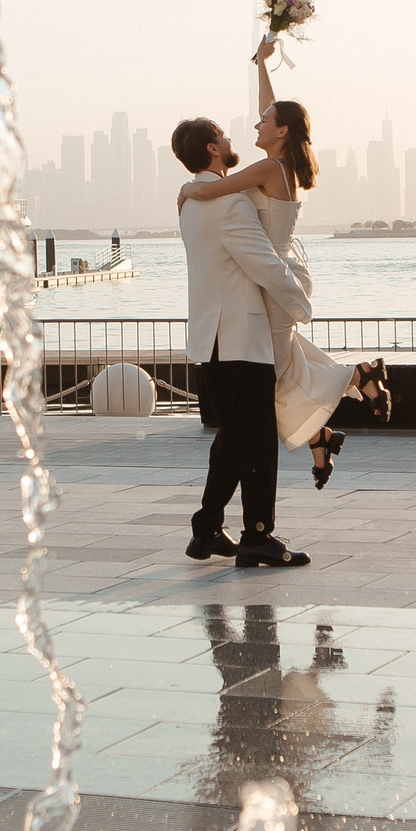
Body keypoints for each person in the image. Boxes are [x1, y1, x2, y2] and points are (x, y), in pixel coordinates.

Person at [177, 36, 389, 488]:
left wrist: (188, 191)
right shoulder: (281, 160)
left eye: (264, 123)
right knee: (272, 379)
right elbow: (272, 106)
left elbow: (215, 188)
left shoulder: (270, 169)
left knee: (265, 385)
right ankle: (329, 423)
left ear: (282, 132)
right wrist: (260, 64)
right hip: (279, 270)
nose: (255, 125)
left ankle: (350, 386)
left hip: (276, 278)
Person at [172, 110, 316, 568]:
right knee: (256, 441)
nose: (232, 138)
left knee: (234, 438)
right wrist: (301, 304)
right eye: (223, 136)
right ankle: (257, 536)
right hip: (241, 337)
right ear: (213, 149)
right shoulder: (230, 204)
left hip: (210, 341)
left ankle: (208, 529)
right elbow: (265, 266)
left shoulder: (191, 203)